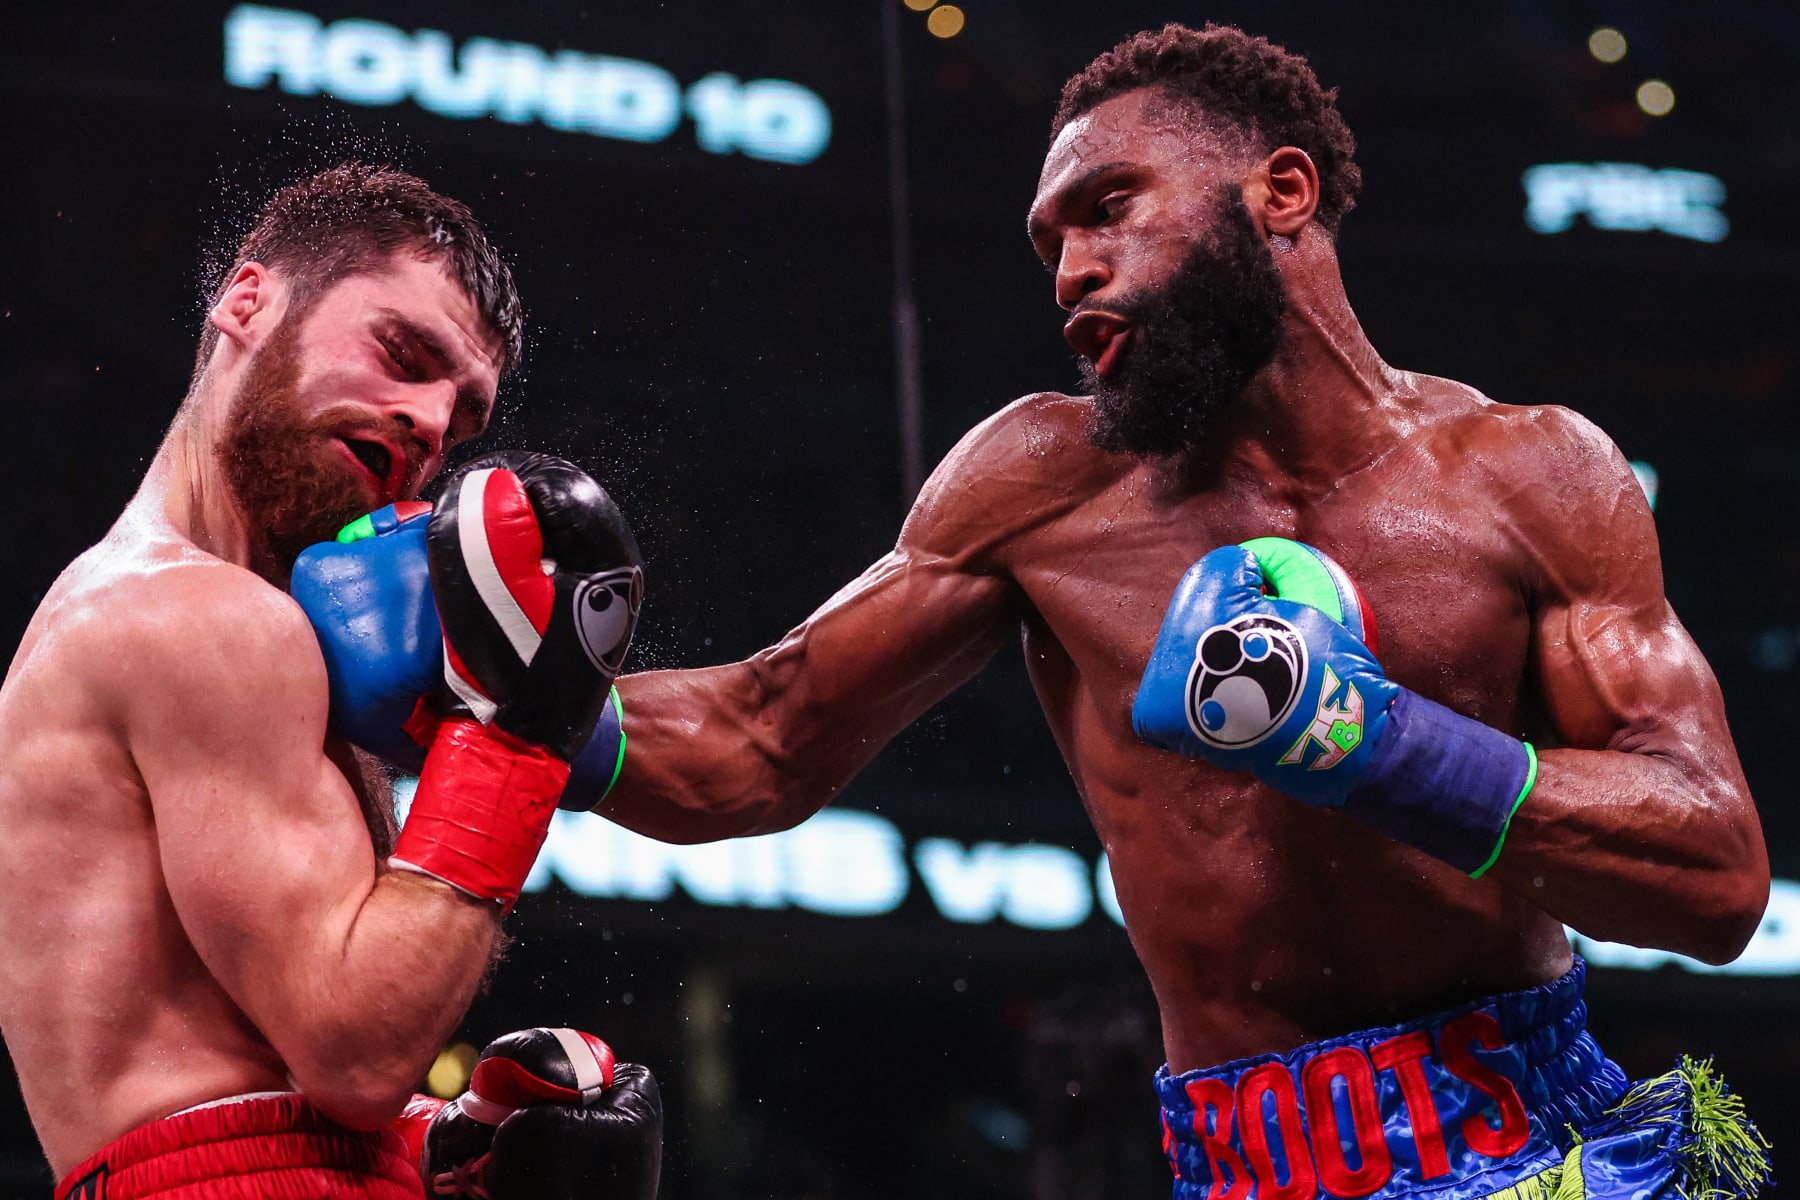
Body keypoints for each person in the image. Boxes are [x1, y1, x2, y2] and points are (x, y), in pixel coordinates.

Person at [583, 23, 1772, 1200]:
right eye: (1050, 242)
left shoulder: (1532, 473)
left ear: (1282, 191)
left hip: (1540, 1139)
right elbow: (760, 734)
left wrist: (1374, 738)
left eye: (1108, 206)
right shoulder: (1043, 479)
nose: (1068, 273)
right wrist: (512, 703)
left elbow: (1713, 875)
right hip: (1254, 1168)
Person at [0, 163, 657, 1199]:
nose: (434, 425)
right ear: (246, 301)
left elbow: (252, 1074)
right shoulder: (192, 616)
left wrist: (441, 1143)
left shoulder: (218, 629)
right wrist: (519, 732)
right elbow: (352, 1052)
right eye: (402, 353)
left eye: (463, 416)